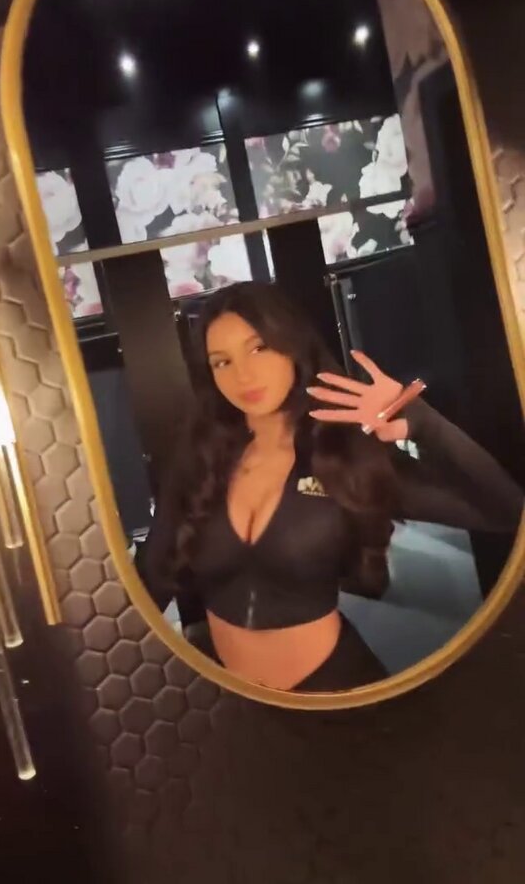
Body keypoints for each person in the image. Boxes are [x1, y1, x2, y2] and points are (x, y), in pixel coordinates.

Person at [136, 282, 523, 692]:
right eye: (221, 362)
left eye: (259, 348)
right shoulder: (200, 461)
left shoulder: (345, 455)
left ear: (292, 346)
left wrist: (423, 423)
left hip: (332, 692)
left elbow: (506, 510)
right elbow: (150, 578)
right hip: (232, 697)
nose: (243, 374)